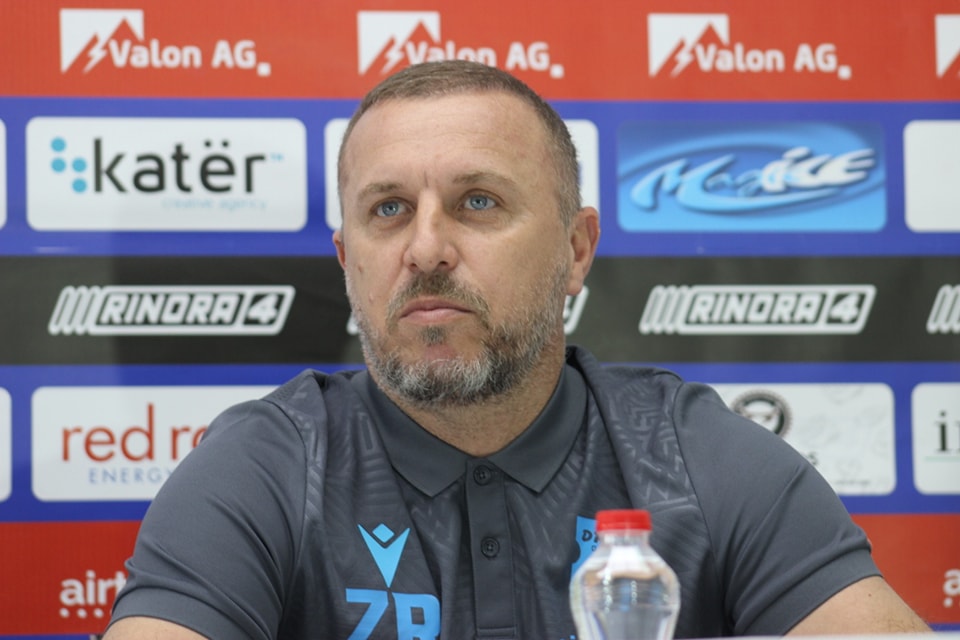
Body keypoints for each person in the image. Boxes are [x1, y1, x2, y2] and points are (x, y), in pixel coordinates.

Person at [103, 60, 930, 639]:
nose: (426, 249)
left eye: (477, 202)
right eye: (389, 209)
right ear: (347, 259)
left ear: (576, 249)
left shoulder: (698, 456)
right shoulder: (266, 466)